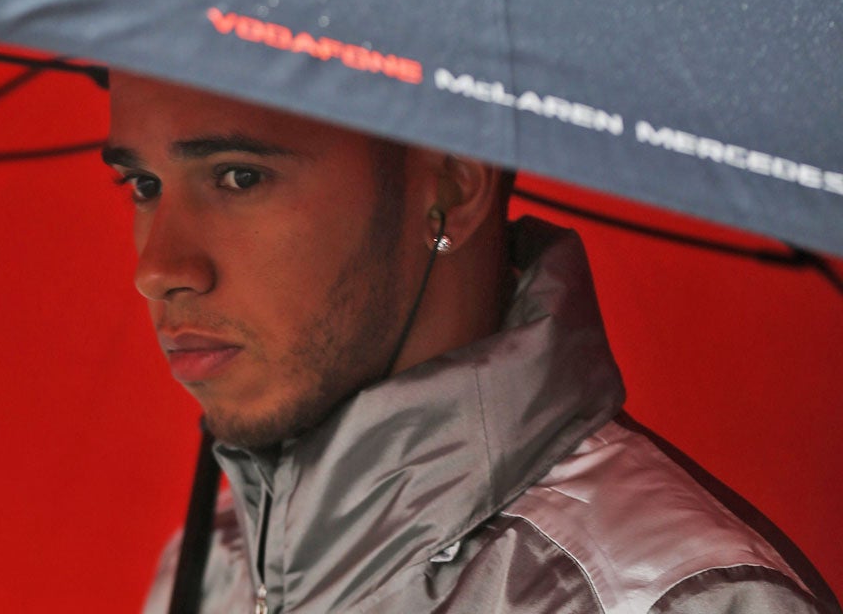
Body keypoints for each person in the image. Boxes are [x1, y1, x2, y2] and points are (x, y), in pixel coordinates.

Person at [103, 71, 840, 613]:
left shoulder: (668, 603)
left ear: (454, 185)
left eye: (237, 176)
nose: (158, 268)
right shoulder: (205, 570)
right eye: (142, 184)